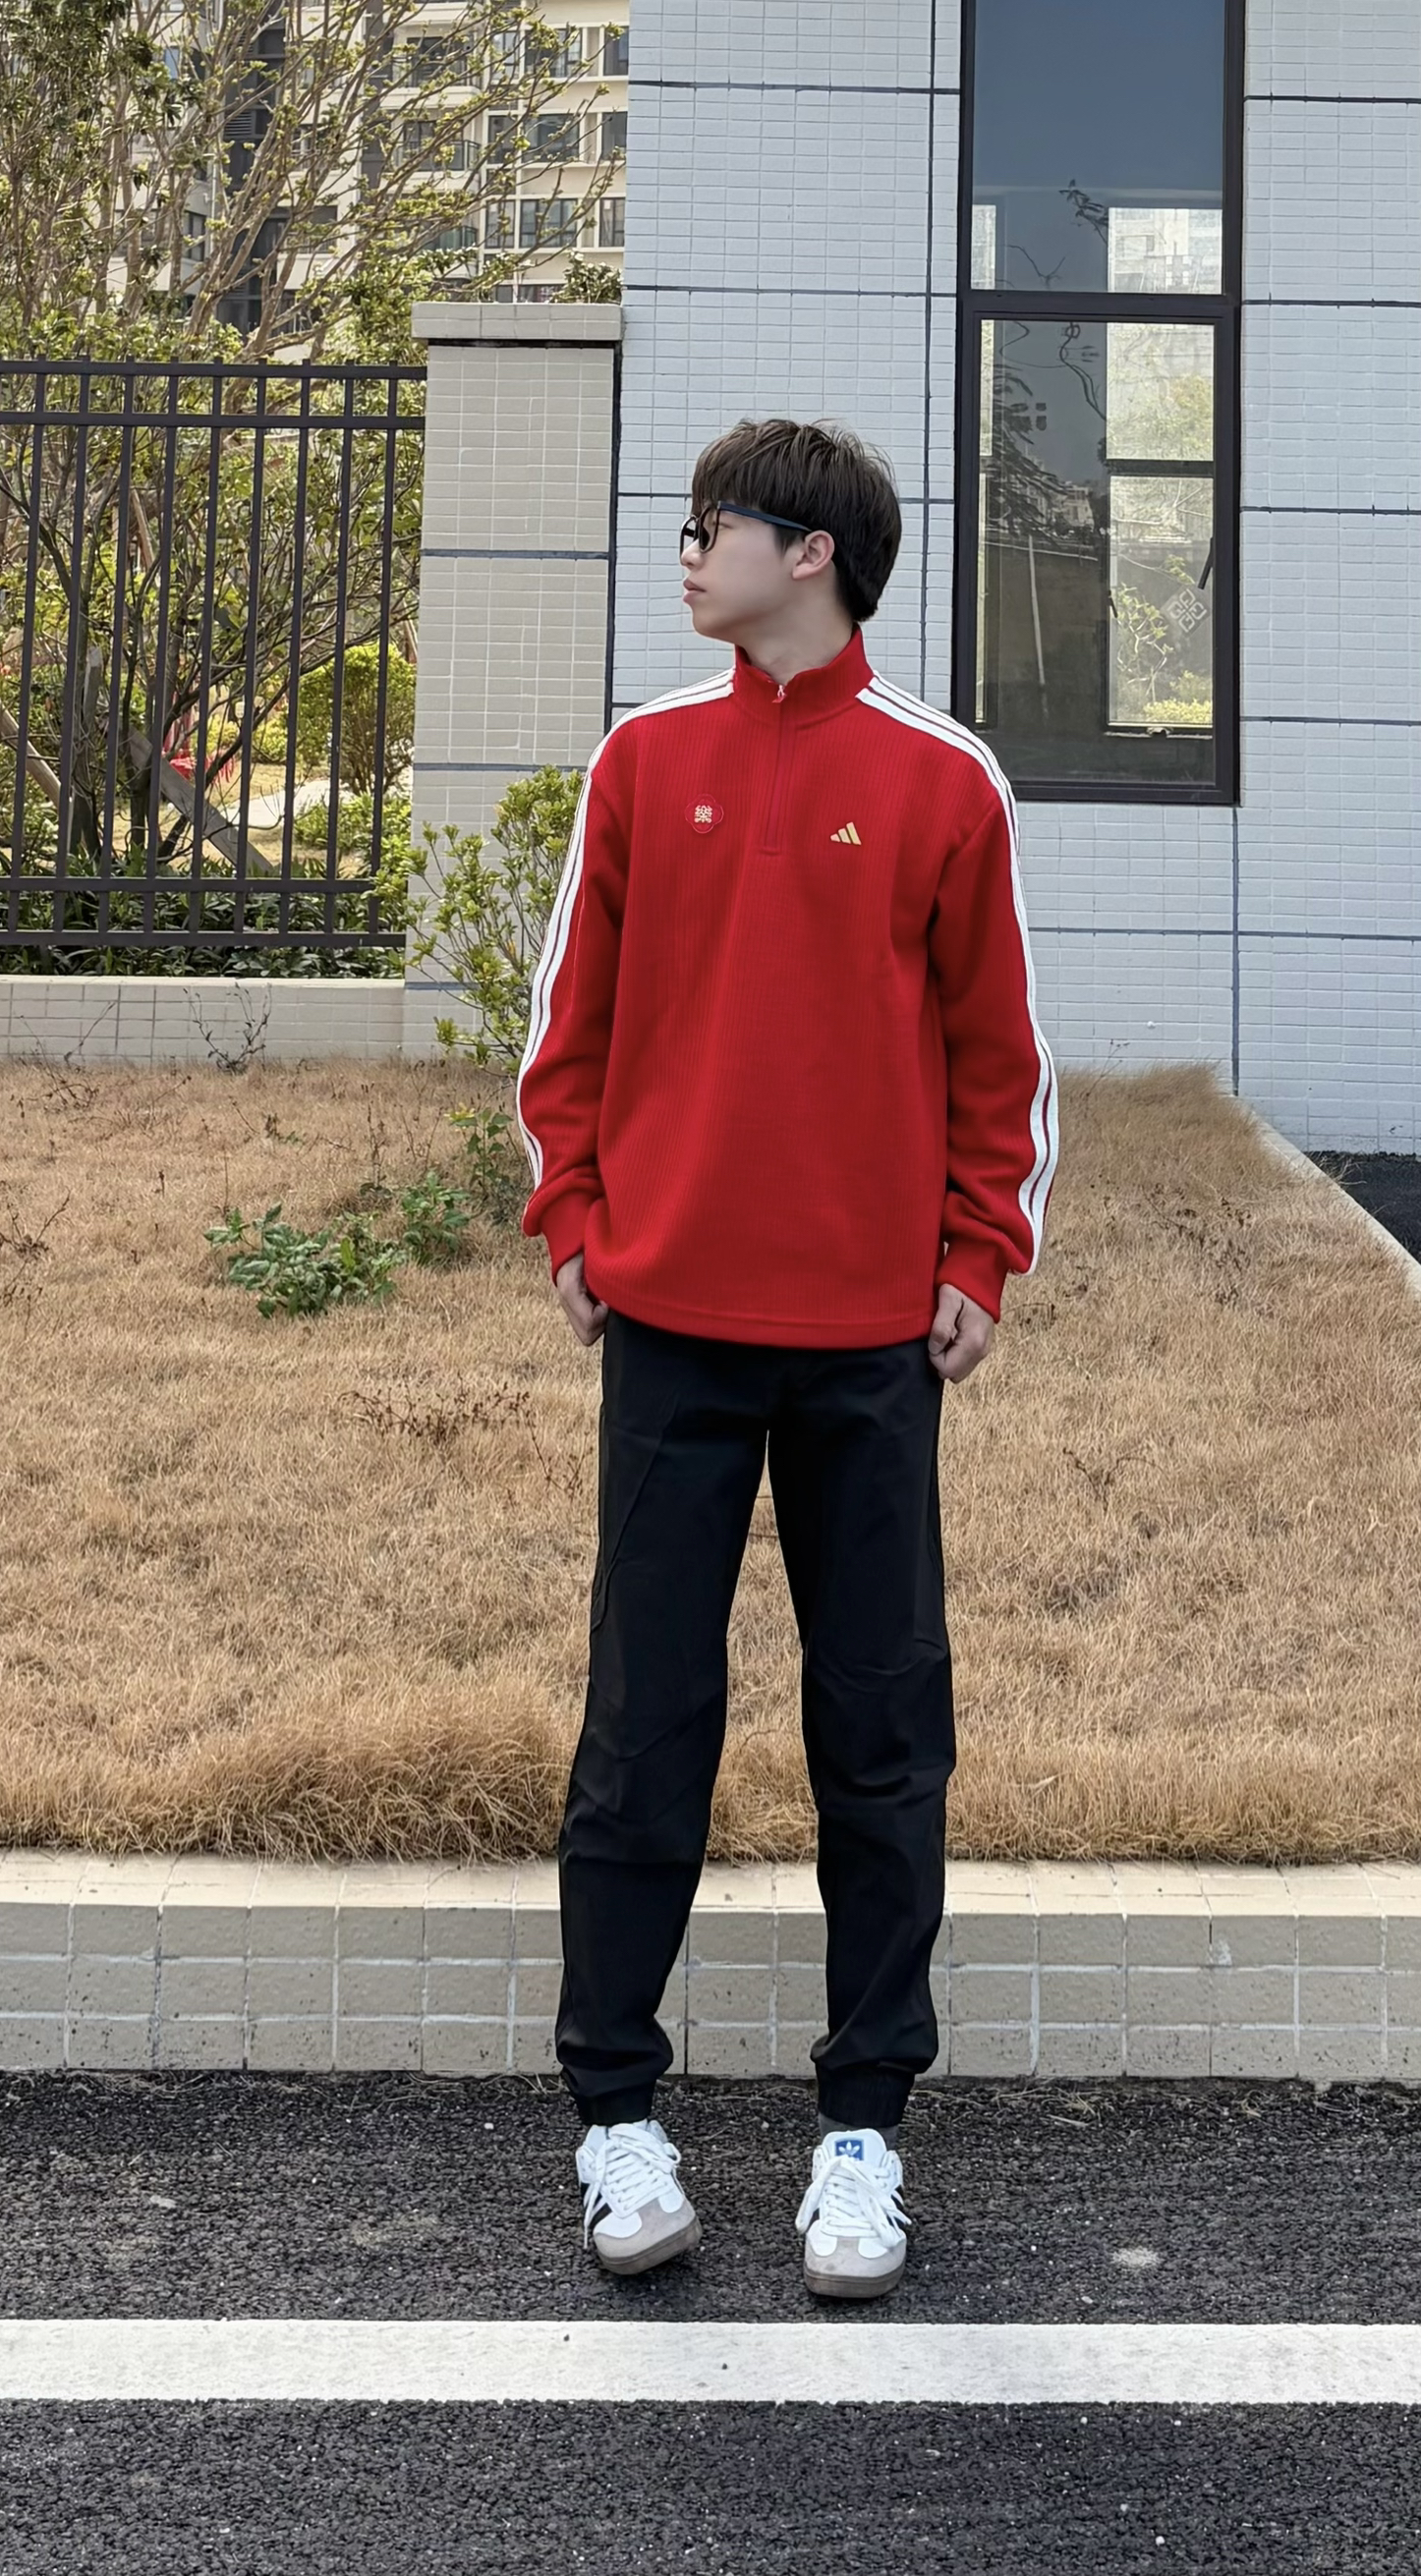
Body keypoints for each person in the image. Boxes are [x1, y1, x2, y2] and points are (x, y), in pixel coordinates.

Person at [514, 417, 1058, 2301]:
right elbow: (566, 1028)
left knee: (882, 1733)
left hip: (867, 1345)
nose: (686, 552)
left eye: (712, 525)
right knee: (642, 1727)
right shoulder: (643, 761)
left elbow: (998, 1056)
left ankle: (861, 2132)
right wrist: (574, 1218)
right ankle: (614, 2113)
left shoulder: (939, 779)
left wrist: (979, 1248)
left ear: (809, 552)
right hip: (669, 1326)